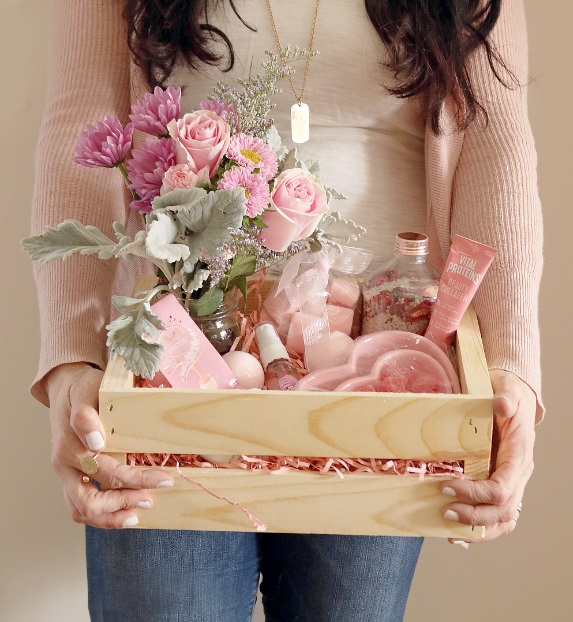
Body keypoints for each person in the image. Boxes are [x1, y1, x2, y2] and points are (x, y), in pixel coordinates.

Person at [31, 1, 542, 620]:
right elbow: (81, 129)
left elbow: (497, 140)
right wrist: (73, 363)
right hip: (177, 353)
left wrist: (508, 373)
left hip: (380, 372)